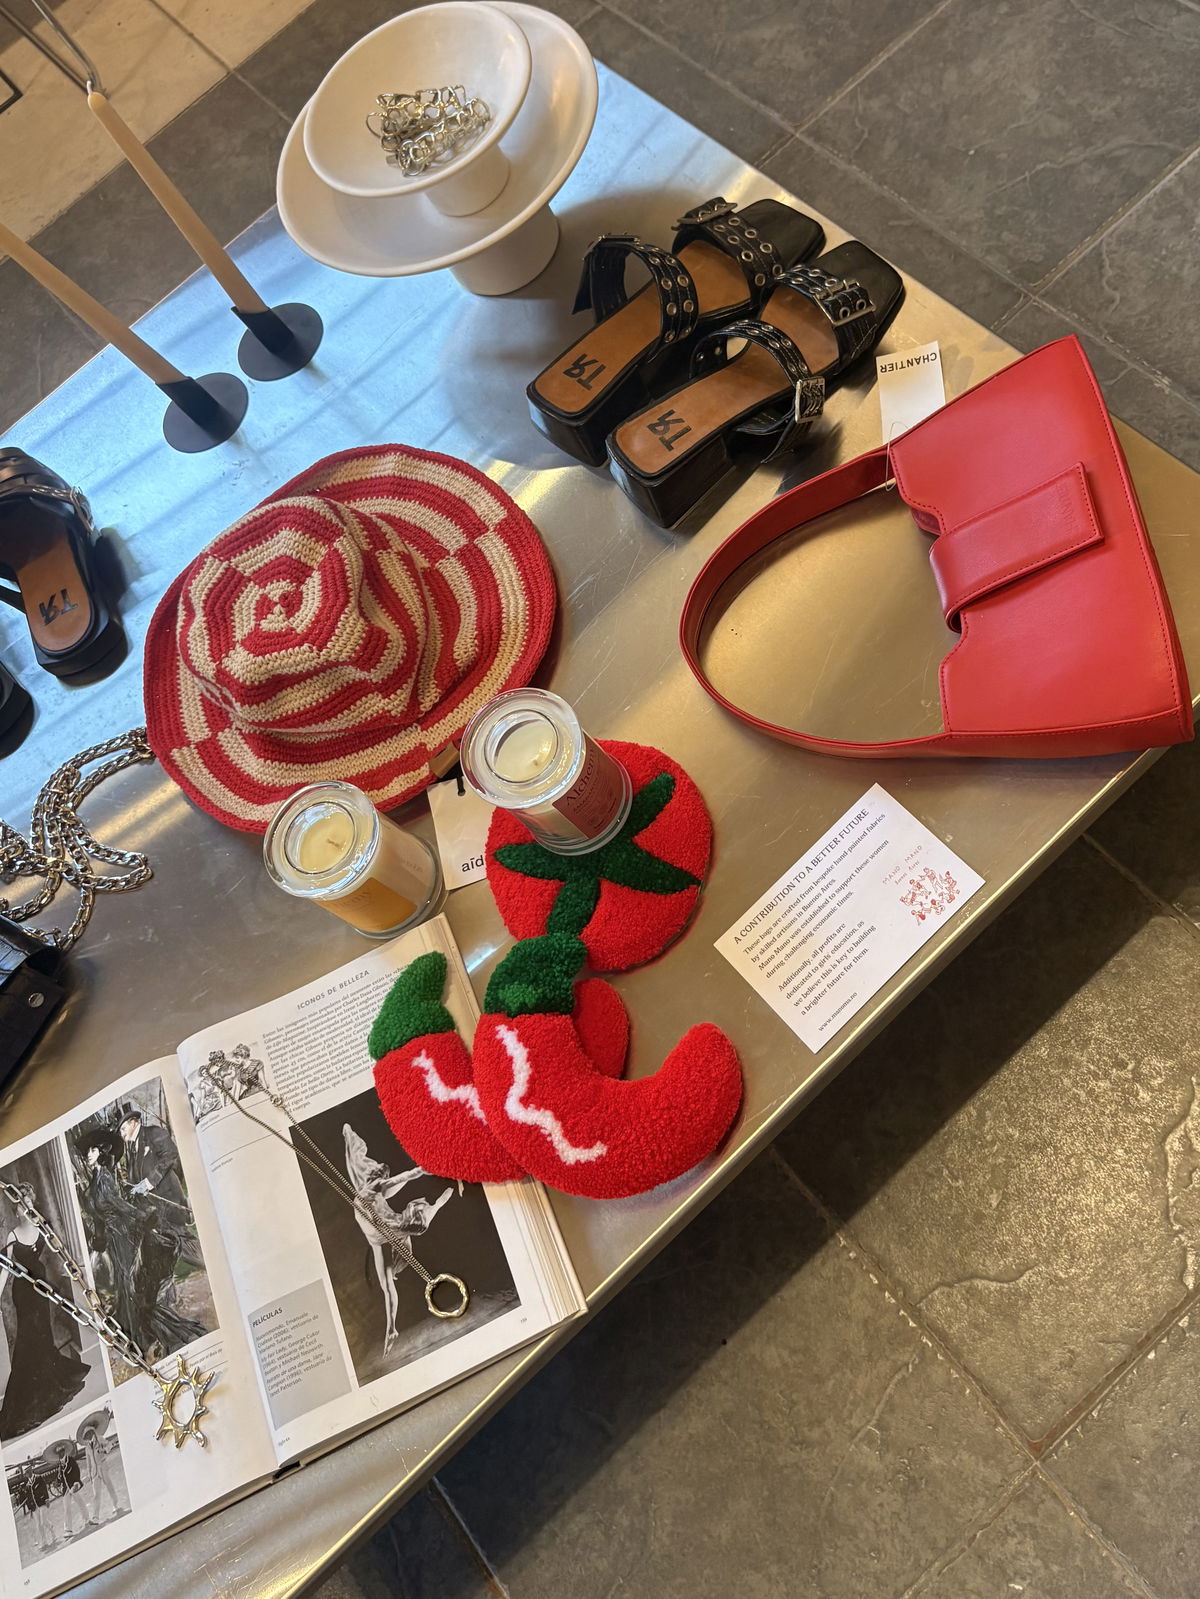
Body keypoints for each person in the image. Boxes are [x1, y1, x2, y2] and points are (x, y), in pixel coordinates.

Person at [76, 1134, 205, 1364]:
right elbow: (98, 1216)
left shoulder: (105, 1178)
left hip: (124, 1234)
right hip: (113, 1240)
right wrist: (99, 1239)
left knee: (133, 1285)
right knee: (125, 1287)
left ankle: (161, 1333)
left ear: (101, 1153)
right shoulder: (94, 1183)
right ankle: (138, 1332)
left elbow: (119, 1206)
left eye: (92, 1150)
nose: (88, 1155)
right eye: (87, 1152)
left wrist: (144, 1216)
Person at [341, 1126, 454, 1355]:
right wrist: (420, 1172)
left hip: (383, 1233)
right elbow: (403, 1177)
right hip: (381, 1235)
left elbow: (404, 1177)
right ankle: (391, 1328)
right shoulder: (372, 1187)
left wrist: (421, 1170)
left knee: (388, 1282)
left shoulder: (373, 1188)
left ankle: (392, 1328)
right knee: (387, 1284)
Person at [0, 1183, 91, 1442]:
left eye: (28, 1202)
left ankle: (46, 1386)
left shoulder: (42, 1226)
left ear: (32, 1204)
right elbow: (5, 1270)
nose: (25, 1207)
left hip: (41, 1289)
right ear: (15, 1209)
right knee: (27, 1341)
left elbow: (57, 1251)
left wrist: (72, 1272)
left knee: (43, 1337)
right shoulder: (12, 1235)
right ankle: (23, 1399)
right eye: (20, 1204)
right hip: (23, 1293)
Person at [78, 1418, 120, 1526]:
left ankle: (116, 1505)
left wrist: (104, 1450)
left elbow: (109, 1445)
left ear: (92, 1432)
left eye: (89, 1433)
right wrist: (90, 1476)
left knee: (110, 1487)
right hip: (95, 1473)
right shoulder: (87, 1448)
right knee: (96, 1494)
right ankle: (95, 1517)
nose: (88, 1436)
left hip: (103, 1467)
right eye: (86, 1435)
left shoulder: (100, 1439)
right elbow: (88, 1463)